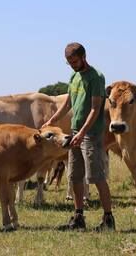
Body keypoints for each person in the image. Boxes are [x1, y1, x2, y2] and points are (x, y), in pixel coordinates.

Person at [42, 42, 115, 231]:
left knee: (97, 177)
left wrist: (82, 133)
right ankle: (78, 217)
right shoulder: (74, 76)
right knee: (74, 176)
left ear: (84, 57)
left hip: (91, 134)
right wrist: (52, 119)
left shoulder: (96, 77)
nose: (72, 65)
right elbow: (68, 104)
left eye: (74, 61)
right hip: (75, 133)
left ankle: (108, 219)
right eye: (69, 62)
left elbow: (95, 108)